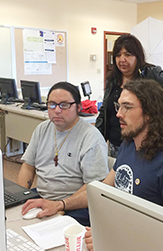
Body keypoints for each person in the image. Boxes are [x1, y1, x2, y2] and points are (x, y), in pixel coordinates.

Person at [86, 79, 163, 251]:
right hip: (119, 239)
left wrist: (116, 238)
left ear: (149, 113)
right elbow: (104, 191)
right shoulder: (129, 144)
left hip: (145, 250)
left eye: (127, 107)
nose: (119, 114)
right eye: (118, 106)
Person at [17, 81, 109, 226]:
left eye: (64, 105)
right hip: (43, 196)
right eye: (52, 104)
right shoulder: (42, 129)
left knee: (41, 232)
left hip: (75, 205)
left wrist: (61, 205)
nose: (57, 110)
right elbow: (28, 166)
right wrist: (20, 197)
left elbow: (94, 187)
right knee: (14, 220)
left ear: (78, 107)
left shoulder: (91, 137)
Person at [96, 34, 163, 157]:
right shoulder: (113, 79)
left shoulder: (151, 74)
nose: (122, 59)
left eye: (127, 55)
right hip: (116, 144)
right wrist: (97, 140)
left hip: (142, 144)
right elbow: (105, 111)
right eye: (118, 55)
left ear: (137, 56)